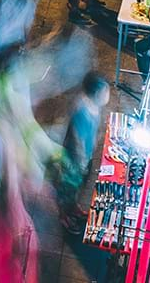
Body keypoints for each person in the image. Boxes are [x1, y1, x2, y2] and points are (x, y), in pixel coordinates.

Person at [50, 73, 110, 233]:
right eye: (105, 92)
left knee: (75, 187)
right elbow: (77, 139)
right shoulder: (82, 111)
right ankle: (64, 216)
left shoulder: (93, 106)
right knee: (66, 189)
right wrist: (82, 160)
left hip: (84, 158)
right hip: (74, 159)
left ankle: (73, 207)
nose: (107, 95)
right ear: (96, 93)